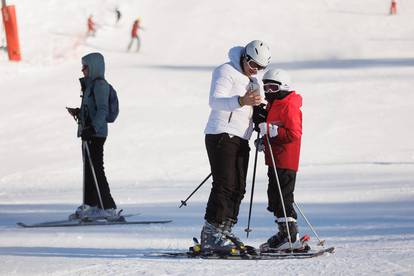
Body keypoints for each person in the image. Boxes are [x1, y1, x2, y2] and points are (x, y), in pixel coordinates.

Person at [200, 40, 271, 253]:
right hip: (221, 134)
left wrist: (260, 115)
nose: (255, 70)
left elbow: (256, 106)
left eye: (260, 68)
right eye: (253, 65)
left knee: (239, 186)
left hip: (241, 137)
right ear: (245, 58)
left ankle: (225, 229)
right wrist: (241, 101)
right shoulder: (226, 71)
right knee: (225, 185)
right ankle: (211, 234)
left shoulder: (254, 80)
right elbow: (215, 101)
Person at [257, 69, 304, 252]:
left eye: (273, 87)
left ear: (283, 87)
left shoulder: (289, 105)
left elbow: (294, 134)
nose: (268, 91)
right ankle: (284, 233)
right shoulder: (274, 104)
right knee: (276, 198)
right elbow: (272, 129)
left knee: (283, 198)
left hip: (286, 159)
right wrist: (264, 139)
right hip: (274, 159)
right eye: (266, 87)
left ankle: (290, 236)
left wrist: (271, 130)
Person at [67, 52, 118, 220]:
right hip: (89, 132)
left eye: (85, 66)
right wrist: (79, 112)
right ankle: (91, 205)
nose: (82, 70)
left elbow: (102, 110)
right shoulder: (90, 85)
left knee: (96, 169)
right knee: (89, 170)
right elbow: (93, 109)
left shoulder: (100, 85)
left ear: (94, 67)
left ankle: (108, 207)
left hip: (96, 134)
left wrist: (93, 128)